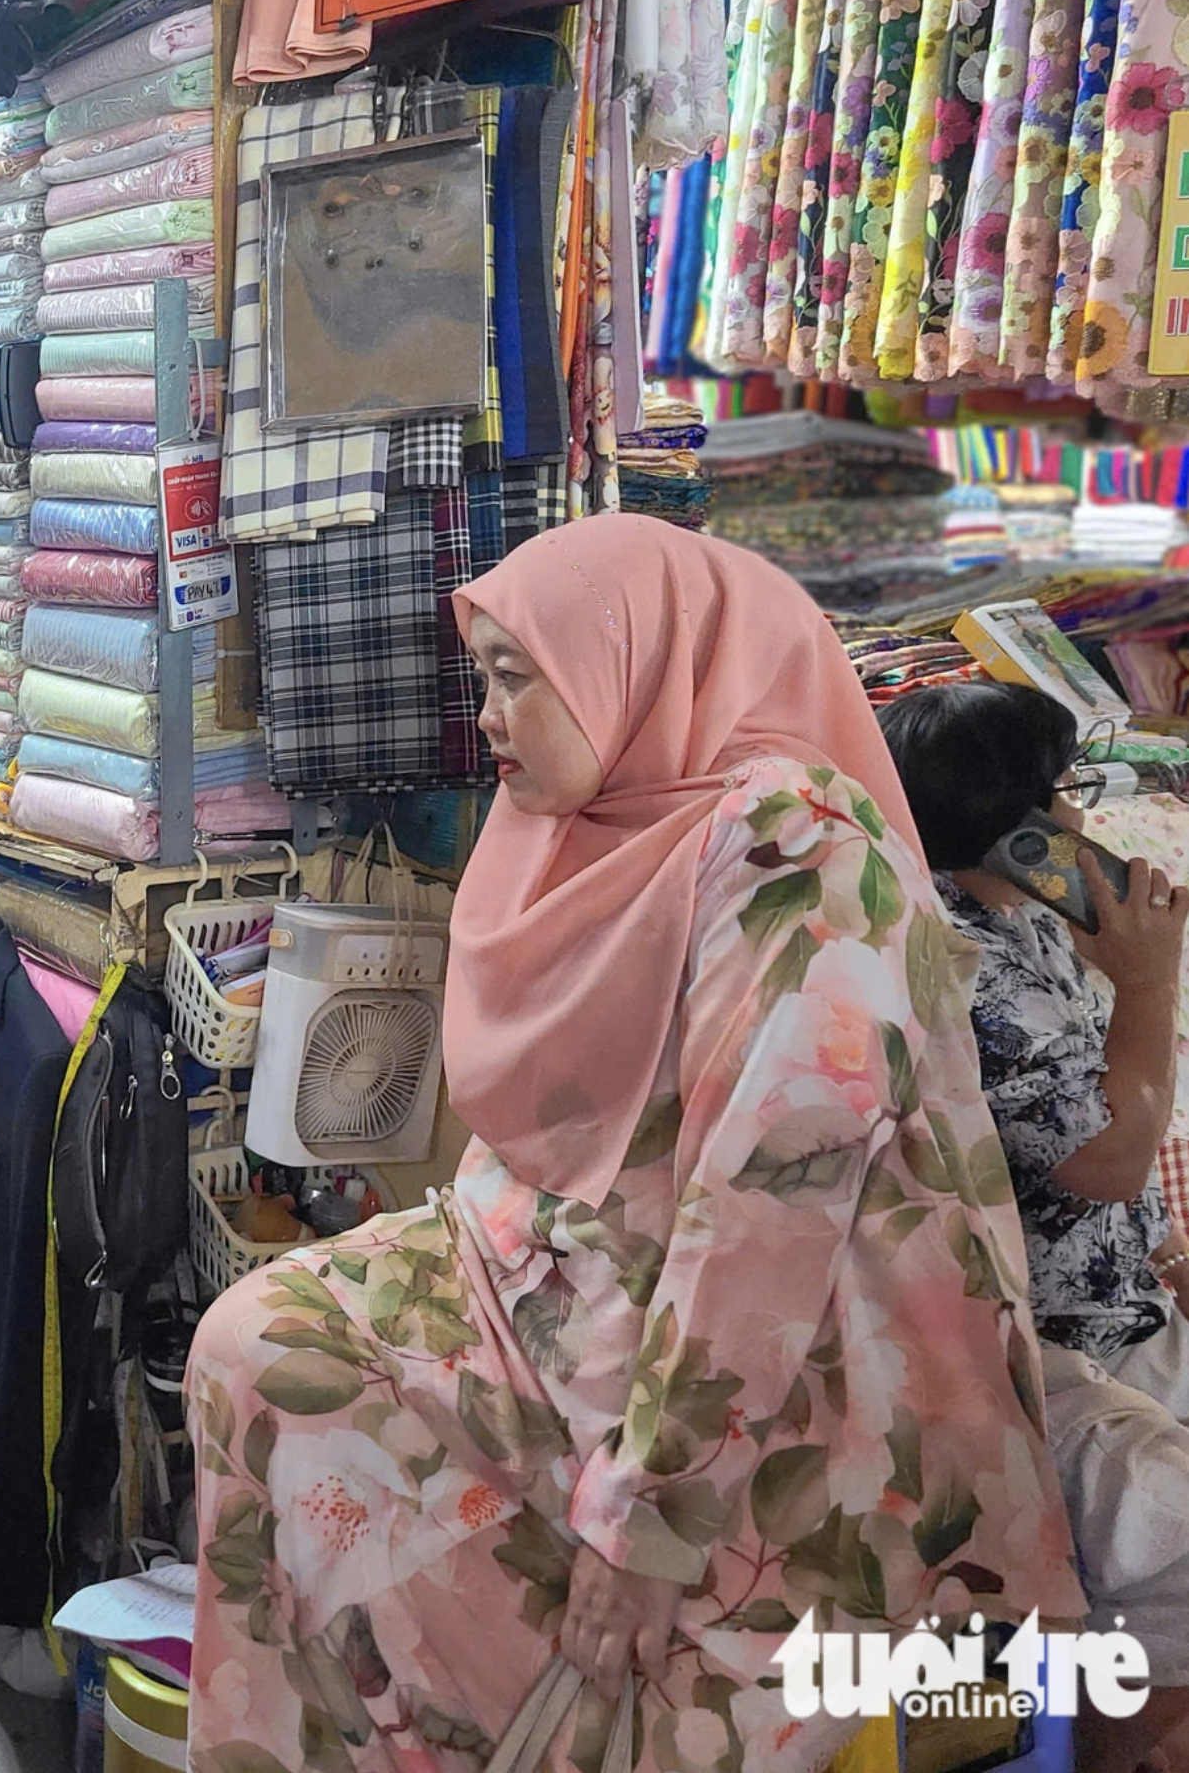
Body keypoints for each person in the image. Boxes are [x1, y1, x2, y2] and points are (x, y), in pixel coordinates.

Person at [187, 517, 1082, 1773]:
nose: (486, 717)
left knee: (285, 1368)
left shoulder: (797, 850)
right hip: (582, 1279)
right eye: (483, 674)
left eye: (515, 675)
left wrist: (646, 1518)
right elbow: (552, 1146)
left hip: (781, 1363)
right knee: (254, 1351)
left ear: (632, 661)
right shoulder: (595, 822)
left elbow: (770, 1208)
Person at [881, 680, 1189, 1770]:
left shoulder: (1025, 918)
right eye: (1056, 790)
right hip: (1046, 1344)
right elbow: (1104, 1156)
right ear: (1006, 817)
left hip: (1120, 1301)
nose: (1074, 817)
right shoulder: (959, 957)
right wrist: (1149, 982)